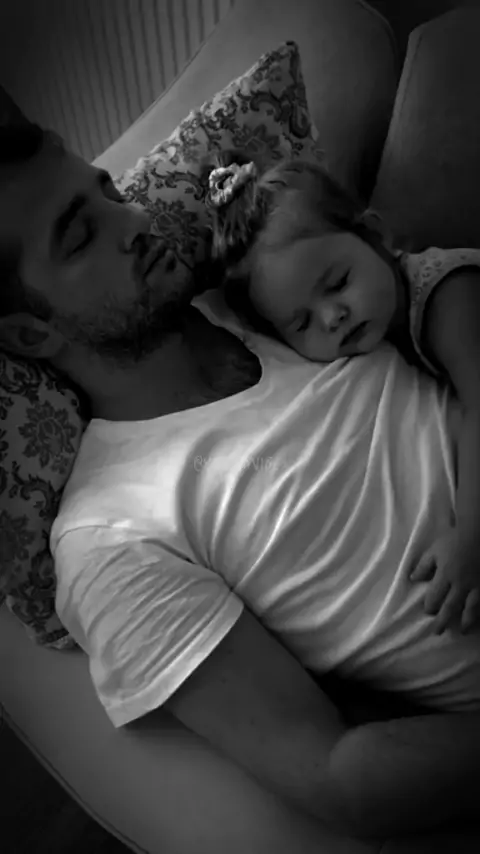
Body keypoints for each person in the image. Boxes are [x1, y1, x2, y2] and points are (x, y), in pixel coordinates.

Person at [1, 122, 480, 853]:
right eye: (81, 237)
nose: (135, 222)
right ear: (30, 335)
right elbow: (340, 778)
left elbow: (426, 281)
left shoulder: (268, 289)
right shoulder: (112, 535)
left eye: (111, 195)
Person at [206, 150, 480, 636]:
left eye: (338, 283)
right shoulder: (380, 337)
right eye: (302, 323)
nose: (332, 317)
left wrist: (471, 535)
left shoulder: (448, 295)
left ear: (375, 235)